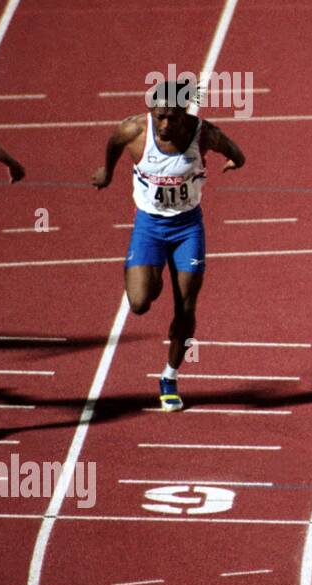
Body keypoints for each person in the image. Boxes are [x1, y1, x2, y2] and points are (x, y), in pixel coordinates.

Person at [90, 78, 245, 411]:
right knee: (140, 302)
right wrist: (107, 171)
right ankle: (154, 274)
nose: (164, 124)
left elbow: (238, 153)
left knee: (186, 308)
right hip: (149, 225)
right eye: (159, 116)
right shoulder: (134, 131)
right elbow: (113, 144)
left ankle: (170, 376)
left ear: (185, 113)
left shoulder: (204, 134)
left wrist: (232, 161)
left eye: (172, 117)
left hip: (187, 227)